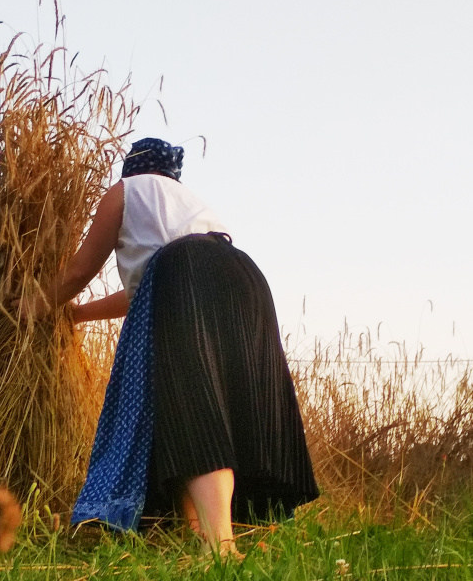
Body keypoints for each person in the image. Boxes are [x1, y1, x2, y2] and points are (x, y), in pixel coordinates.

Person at [18, 138, 318, 555]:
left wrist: (27, 306)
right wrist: (77, 315)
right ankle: (202, 533)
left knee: (192, 405)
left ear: (133, 166)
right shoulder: (191, 204)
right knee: (232, 401)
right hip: (245, 277)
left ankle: (220, 546)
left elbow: (79, 269)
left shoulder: (126, 190)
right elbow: (146, 289)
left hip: (186, 277)